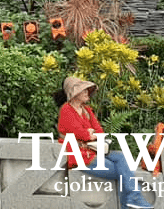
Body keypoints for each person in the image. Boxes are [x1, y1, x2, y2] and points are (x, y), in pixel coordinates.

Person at [57, 76, 153, 209]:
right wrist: (88, 134)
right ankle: (131, 201)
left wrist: (90, 134)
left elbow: (99, 132)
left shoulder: (87, 110)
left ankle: (132, 200)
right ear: (74, 94)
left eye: (87, 90)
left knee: (119, 156)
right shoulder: (66, 110)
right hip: (79, 157)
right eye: (83, 90)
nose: (87, 92)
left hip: (94, 151)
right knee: (124, 171)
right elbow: (81, 133)